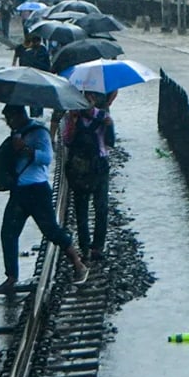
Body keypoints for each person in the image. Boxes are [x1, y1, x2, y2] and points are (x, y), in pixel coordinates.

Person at [0, 104, 88, 294]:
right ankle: (11, 277)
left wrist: (26, 149)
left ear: (19, 115)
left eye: (10, 119)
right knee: (8, 233)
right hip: (19, 191)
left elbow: (46, 158)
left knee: (52, 231)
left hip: (37, 190)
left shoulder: (39, 133)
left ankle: (78, 264)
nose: (8, 123)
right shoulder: (16, 134)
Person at [61, 92, 116, 263]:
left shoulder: (103, 117)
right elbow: (67, 141)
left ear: (94, 101)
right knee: (81, 209)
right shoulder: (72, 118)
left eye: (89, 100)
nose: (87, 103)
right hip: (79, 169)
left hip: (99, 166)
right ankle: (85, 246)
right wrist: (73, 122)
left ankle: (97, 246)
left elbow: (110, 143)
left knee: (101, 208)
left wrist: (109, 126)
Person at [13, 34, 51, 117]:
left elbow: (22, 65)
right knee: (36, 97)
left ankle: (36, 114)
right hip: (38, 78)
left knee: (35, 97)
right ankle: (37, 114)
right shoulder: (37, 52)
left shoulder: (34, 52)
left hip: (35, 78)